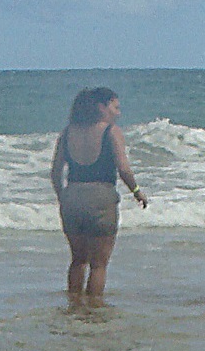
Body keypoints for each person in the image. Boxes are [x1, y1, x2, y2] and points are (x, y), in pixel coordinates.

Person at [50, 87, 146, 298]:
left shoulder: (67, 132)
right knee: (99, 265)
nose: (118, 113)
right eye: (115, 107)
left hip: (73, 196)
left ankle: (74, 307)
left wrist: (62, 197)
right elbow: (123, 169)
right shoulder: (110, 131)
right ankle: (93, 312)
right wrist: (137, 191)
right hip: (101, 197)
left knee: (77, 260)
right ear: (101, 107)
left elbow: (55, 172)